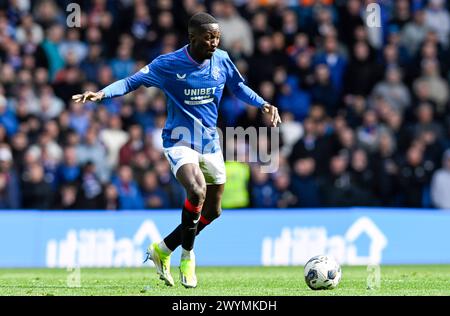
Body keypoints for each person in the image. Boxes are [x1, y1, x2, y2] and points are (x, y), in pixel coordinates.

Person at [72, 12, 281, 288]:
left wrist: (262, 103)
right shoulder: (168, 64)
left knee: (214, 210)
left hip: (210, 142)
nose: (214, 43)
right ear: (192, 37)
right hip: (178, 140)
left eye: (217, 37)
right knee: (196, 190)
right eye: (208, 38)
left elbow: (238, 86)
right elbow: (131, 81)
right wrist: (101, 93)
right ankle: (187, 255)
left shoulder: (222, 59)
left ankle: (163, 250)